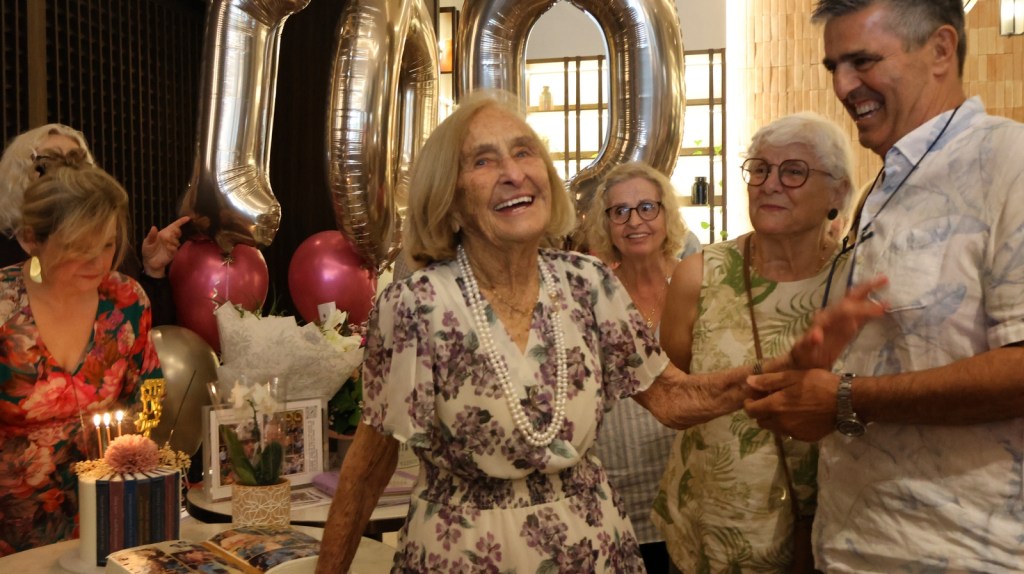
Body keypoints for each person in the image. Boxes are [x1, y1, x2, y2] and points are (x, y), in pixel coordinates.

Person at [313, 90, 885, 573]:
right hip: (462, 555)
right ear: (451, 197)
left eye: (524, 152)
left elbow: (672, 398)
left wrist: (783, 367)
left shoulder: (588, 284)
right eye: (484, 161)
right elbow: (368, 469)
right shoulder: (414, 305)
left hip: (591, 550)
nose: (514, 172)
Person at [743, 1, 1024, 571]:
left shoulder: (1008, 162)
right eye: (834, 67)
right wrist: (811, 373)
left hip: (966, 552)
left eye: (863, 61)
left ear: (941, 49)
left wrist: (846, 397)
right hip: (857, 544)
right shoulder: (887, 184)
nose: (843, 86)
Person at [650, 112, 855, 574]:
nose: (770, 185)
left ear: (837, 192)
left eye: (794, 171)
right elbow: (676, 391)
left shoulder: (855, 278)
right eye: (759, 169)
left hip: (830, 531)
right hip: (711, 532)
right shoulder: (700, 275)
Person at [0, 151, 162, 555]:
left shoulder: (126, 300)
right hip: (11, 530)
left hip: (110, 515)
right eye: (78, 248)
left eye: (107, 245)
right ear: (31, 239)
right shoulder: (4, 308)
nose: (97, 263)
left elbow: (147, 396)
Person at [584, 161, 695, 573]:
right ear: (606, 224)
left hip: (687, 485)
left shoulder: (697, 287)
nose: (634, 221)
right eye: (620, 211)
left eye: (647, 207)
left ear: (667, 215)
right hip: (613, 489)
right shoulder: (591, 294)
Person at [0, 124, 189, 326]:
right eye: (49, 164)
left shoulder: (111, 245)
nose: (66, 175)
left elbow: (142, 325)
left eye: (77, 163)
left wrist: (153, 270)